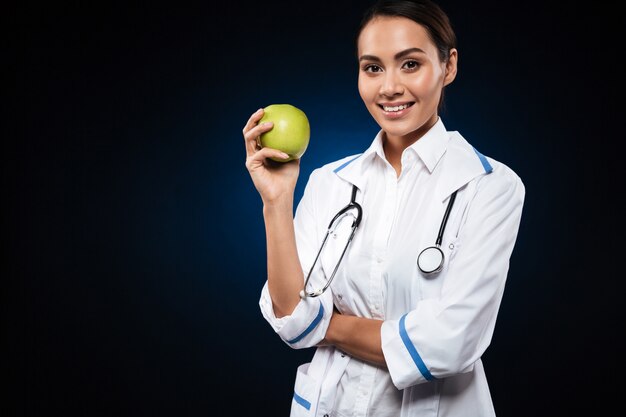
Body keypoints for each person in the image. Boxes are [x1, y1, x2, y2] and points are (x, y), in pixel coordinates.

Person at [242, 0, 525, 415]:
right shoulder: (330, 182)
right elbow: (292, 320)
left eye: (410, 64)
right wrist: (277, 201)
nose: (389, 87)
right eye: (373, 67)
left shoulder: (491, 186)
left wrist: (328, 325)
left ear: (448, 67)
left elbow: (450, 342)